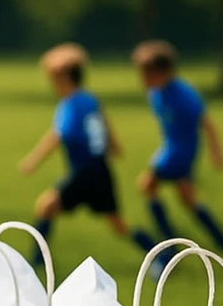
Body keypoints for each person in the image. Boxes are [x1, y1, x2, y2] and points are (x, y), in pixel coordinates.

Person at [19, 43, 160, 262]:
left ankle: (36, 263)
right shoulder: (89, 99)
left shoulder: (70, 104)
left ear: (64, 78)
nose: (52, 84)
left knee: (46, 206)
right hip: (100, 169)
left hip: (85, 171)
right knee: (117, 224)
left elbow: (58, 136)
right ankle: (162, 254)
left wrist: (33, 160)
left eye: (53, 79)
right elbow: (103, 123)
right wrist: (113, 146)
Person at [131, 40, 223, 249]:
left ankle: (168, 238)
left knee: (147, 185)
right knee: (187, 198)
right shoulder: (156, 94)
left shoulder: (183, 94)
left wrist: (216, 151)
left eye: (147, 74)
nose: (143, 79)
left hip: (182, 152)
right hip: (171, 149)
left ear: (163, 72)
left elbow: (206, 123)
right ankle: (221, 240)